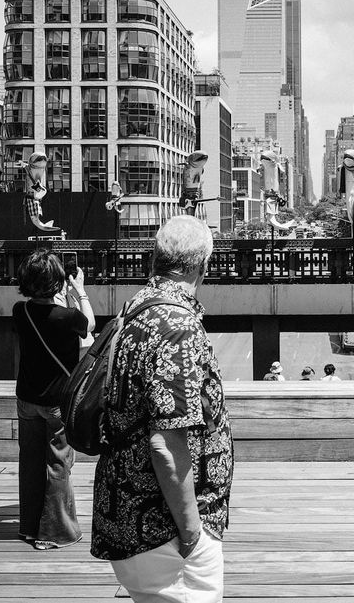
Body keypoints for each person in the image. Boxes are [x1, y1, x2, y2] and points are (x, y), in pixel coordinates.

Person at [91, 215, 233, 603]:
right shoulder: (177, 325)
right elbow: (166, 444)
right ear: (203, 264)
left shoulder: (137, 306)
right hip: (164, 530)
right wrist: (191, 532)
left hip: (130, 513)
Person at [12, 249, 94, 550]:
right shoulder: (68, 317)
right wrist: (80, 291)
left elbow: (43, 315)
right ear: (58, 282)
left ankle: (29, 527)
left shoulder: (20, 311)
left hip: (27, 398)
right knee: (57, 464)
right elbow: (90, 325)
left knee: (30, 462)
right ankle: (54, 533)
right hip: (57, 402)